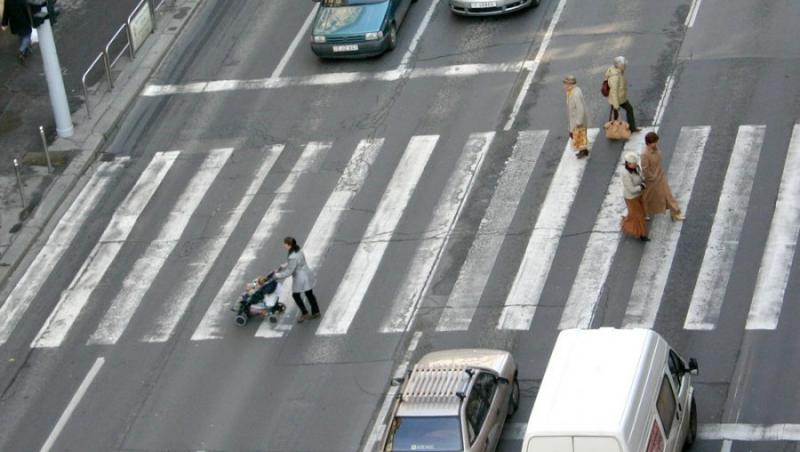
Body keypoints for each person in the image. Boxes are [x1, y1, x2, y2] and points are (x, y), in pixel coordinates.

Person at [640, 132, 685, 221]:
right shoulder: (644, 154)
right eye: (655, 142)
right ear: (649, 143)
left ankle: (675, 212)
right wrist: (652, 177)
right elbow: (645, 169)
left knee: (668, 195)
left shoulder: (655, 149)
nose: (657, 143)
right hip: (652, 180)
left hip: (660, 176)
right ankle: (643, 212)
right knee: (647, 197)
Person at [274, 237, 321, 323]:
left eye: (285, 244)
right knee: (309, 294)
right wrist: (285, 265)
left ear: (289, 245)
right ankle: (316, 312)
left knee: (296, 295)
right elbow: (296, 262)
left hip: (301, 278)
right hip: (306, 273)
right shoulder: (299, 251)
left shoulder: (292, 256)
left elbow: (289, 271)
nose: (283, 245)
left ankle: (305, 313)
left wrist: (277, 275)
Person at [605, 56, 641, 133]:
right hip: (618, 98)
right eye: (624, 65)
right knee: (629, 109)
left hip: (617, 98)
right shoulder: (615, 76)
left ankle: (612, 129)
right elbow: (614, 91)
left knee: (615, 115)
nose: (625, 66)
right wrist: (616, 105)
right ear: (619, 65)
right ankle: (632, 128)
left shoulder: (616, 71)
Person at [620, 151, 649, 242]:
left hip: (639, 194)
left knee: (635, 213)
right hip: (631, 198)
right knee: (639, 216)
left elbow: (640, 176)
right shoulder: (626, 174)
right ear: (628, 164)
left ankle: (627, 223)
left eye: (636, 163)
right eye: (634, 163)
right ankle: (642, 234)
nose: (636, 165)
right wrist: (641, 186)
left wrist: (644, 180)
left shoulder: (636, 168)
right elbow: (631, 189)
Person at [563, 74, 590, 159]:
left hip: (578, 119)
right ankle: (584, 150)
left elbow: (580, 108)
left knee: (578, 134)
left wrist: (579, 122)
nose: (564, 85)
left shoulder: (575, 94)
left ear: (571, 84)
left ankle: (583, 150)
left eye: (566, 84)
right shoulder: (570, 91)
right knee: (576, 134)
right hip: (574, 118)